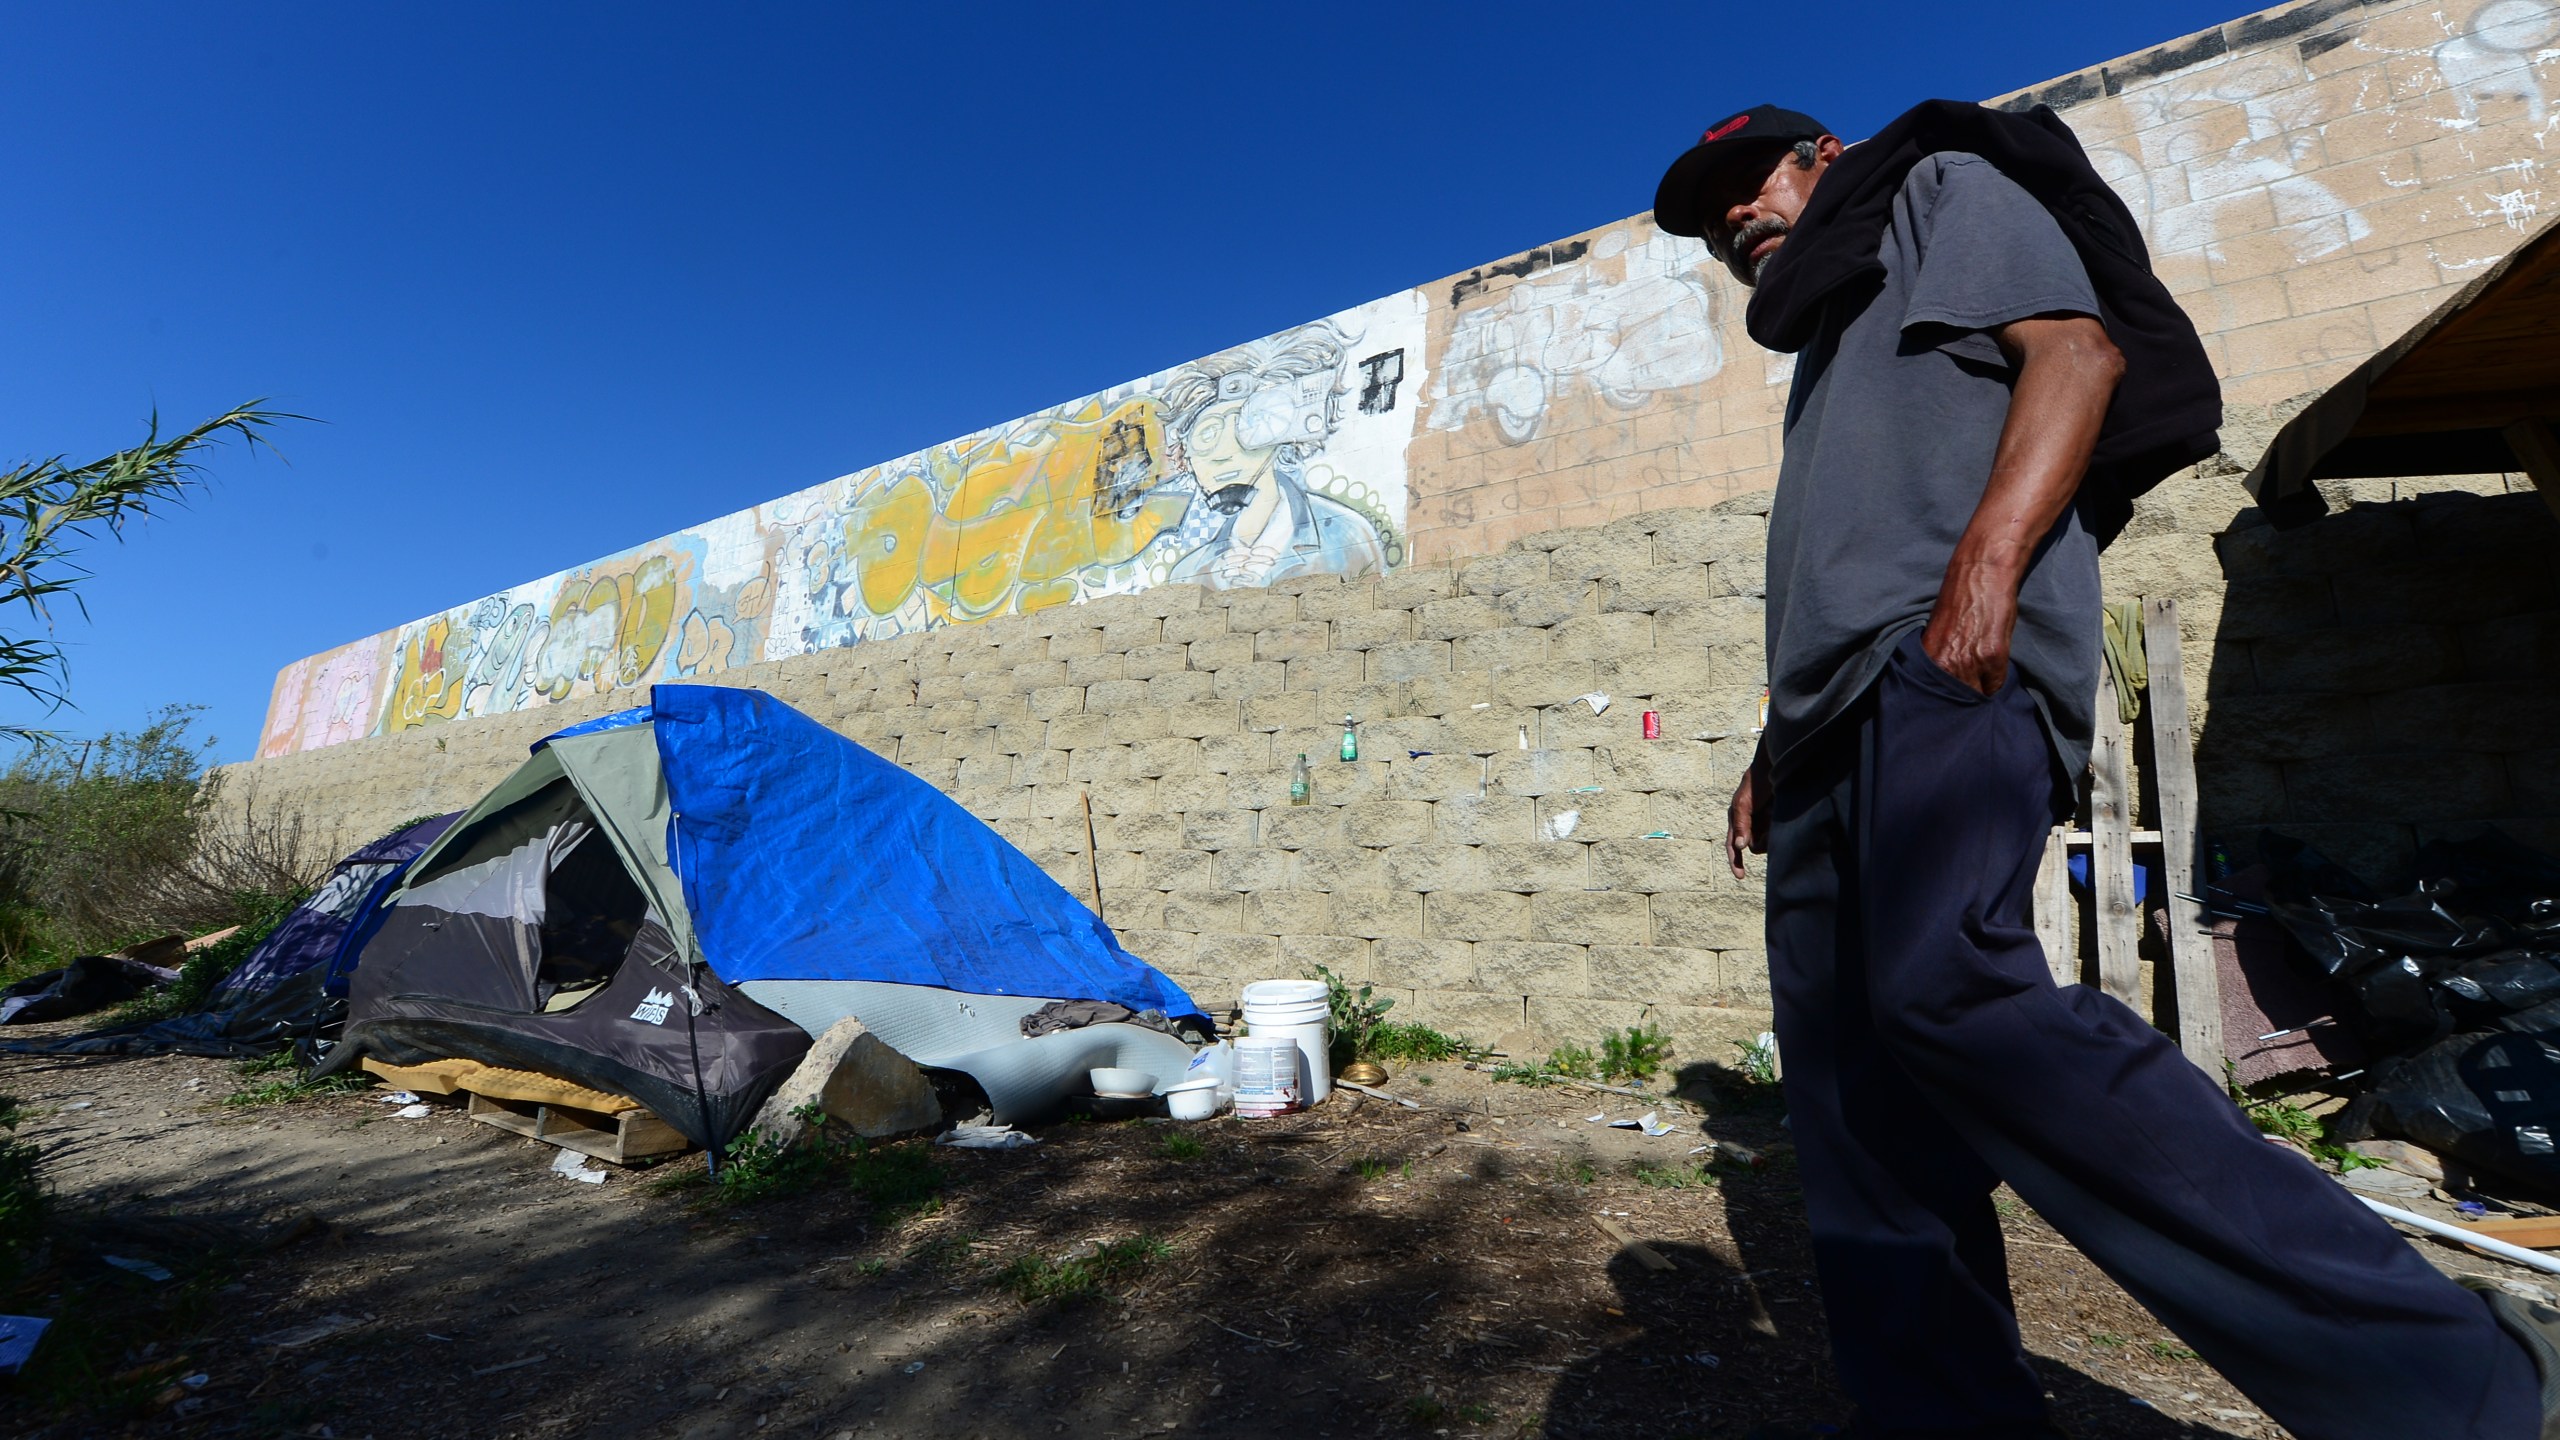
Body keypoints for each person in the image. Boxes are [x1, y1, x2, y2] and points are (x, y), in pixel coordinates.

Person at [1655, 103, 2560, 1440]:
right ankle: (1943, 1414)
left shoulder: (1938, 189)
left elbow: (2074, 358)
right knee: (1849, 1097)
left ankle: (2453, 1377)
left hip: (1945, 671)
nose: (1737, 217)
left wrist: (1985, 584)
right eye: (1713, 216)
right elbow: (1835, 562)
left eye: (1754, 181)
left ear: (1827, 160)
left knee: (1952, 995)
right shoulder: (1828, 339)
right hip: (1828, 726)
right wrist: (1771, 744)